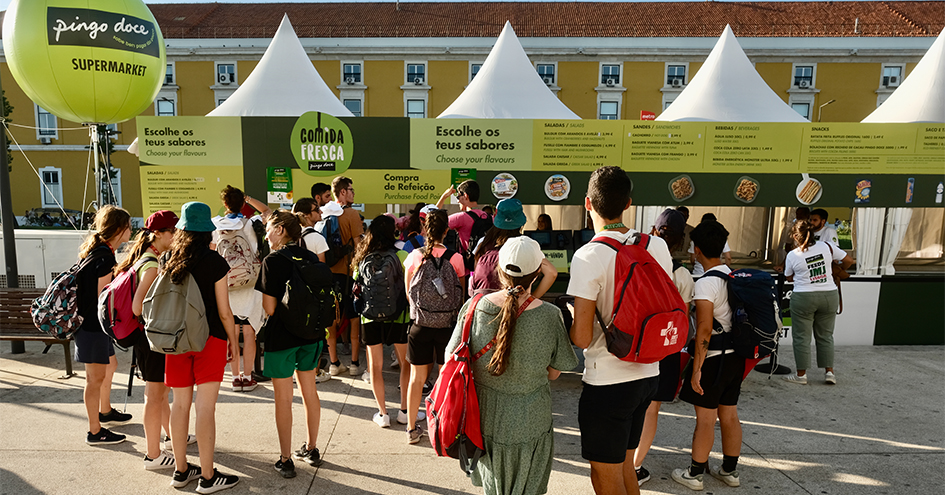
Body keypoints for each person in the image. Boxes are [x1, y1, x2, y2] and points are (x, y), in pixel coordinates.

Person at [567, 166, 672, 495]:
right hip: (649, 373)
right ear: (629, 203)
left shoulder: (588, 256)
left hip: (608, 383)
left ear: (587, 204)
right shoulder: (657, 247)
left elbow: (582, 338)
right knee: (626, 466)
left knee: (604, 475)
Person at [447, 236, 578, 495]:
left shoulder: (474, 308)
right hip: (533, 419)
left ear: (500, 270)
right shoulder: (551, 316)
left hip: (486, 419)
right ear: (537, 272)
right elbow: (554, 373)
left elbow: (452, 358)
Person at [163, 201, 240, 492]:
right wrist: (233, 342)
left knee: (179, 405)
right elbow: (224, 311)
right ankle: (208, 477)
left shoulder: (169, 259)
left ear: (182, 229)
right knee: (205, 408)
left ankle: (181, 471)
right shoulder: (215, 261)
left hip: (177, 339)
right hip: (210, 339)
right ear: (208, 231)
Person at [254, 210, 327, 478]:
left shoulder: (273, 260)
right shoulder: (309, 257)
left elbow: (270, 308)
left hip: (281, 337)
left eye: (269, 228)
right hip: (312, 335)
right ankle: (312, 447)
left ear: (282, 230)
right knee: (310, 392)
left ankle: (285, 459)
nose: (266, 233)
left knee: (283, 399)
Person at [673, 220, 744, 491]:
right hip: (736, 356)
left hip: (714, 357)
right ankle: (729, 470)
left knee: (705, 418)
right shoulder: (734, 275)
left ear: (697, 249)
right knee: (730, 414)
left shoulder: (706, 283)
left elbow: (703, 329)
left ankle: (694, 474)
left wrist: (697, 368)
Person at [120, 210, 194, 468]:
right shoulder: (151, 264)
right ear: (158, 234)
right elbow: (137, 307)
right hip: (151, 338)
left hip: (147, 337)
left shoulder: (148, 257)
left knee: (159, 394)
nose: (176, 236)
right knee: (154, 396)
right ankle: (153, 454)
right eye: (172, 231)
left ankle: (173, 437)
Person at [633, 208, 695, 485]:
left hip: (634, 344)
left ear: (653, 232)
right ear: (681, 241)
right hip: (667, 348)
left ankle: (620, 462)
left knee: (629, 403)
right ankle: (635, 466)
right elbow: (684, 317)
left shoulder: (635, 265)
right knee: (651, 408)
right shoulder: (682, 276)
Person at [403, 208, 466, 444]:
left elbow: (409, 293)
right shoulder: (456, 258)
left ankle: (411, 428)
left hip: (420, 325)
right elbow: (459, 296)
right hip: (447, 327)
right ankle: (441, 425)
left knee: (416, 378)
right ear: (447, 231)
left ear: (424, 231)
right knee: (445, 378)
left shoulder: (415, 257)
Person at [74, 205, 133, 446]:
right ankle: (94, 431)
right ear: (120, 229)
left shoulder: (97, 251)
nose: (131, 231)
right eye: (129, 227)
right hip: (93, 327)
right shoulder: (105, 257)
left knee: (110, 365)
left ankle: (105, 411)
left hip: (90, 326)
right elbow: (104, 299)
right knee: (94, 378)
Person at [351, 215, 412, 428]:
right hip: (399, 316)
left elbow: (357, 286)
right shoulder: (403, 255)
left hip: (369, 317)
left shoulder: (362, 258)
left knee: (375, 367)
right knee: (406, 364)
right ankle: (404, 411)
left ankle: (382, 414)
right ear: (393, 233)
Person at [212, 185, 271, 393]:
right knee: (249, 331)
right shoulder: (251, 222)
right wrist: (249, 199)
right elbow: (267, 212)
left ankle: (235, 378)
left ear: (224, 204)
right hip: (249, 282)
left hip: (225, 284)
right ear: (242, 202)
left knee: (231, 333)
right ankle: (248, 377)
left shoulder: (214, 225)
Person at [782, 220, 853, 385]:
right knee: (826, 336)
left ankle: (801, 375)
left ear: (795, 236)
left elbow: (788, 276)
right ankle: (829, 373)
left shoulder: (793, 255)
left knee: (801, 337)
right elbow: (849, 260)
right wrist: (837, 269)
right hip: (829, 295)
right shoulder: (827, 246)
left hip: (804, 297)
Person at [470, 198, 557, 298]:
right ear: (521, 221)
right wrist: (532, 299)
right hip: (516, 306)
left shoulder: (483, 242)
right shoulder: (525, 244)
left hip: (485, 305)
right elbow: (552, 273)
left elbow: (476, 272)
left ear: (495, 217)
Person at [323, 176, 365, 377]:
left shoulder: (323, 214)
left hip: (328, 274)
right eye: (350, 189)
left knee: (331, 319)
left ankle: (334, 363)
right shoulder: (352, 215)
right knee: (354, 317)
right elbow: (359, 247)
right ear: (342, 192)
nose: (353, 192)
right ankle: (355, 363)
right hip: (348, 274)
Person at [435, 179, 489, 254]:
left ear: (466, 196)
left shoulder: (461, 218)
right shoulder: (489, 217)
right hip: (484, 262)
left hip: (466, 263)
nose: (458, 201)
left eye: (458, 197)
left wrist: (443, 197)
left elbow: (433, 221)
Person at [292, 198, 329, 263]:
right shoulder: (317, 238)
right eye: (317, 209)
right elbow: (322, 268)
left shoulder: (291, 235)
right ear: (306, 215)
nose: (321, 212)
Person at [774, 207, 810, 272]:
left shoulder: (812, 231)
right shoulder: (793, 228)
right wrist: (783, 265)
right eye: (797, 214)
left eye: (801, 214)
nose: (798, 216)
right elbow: (788, 248)